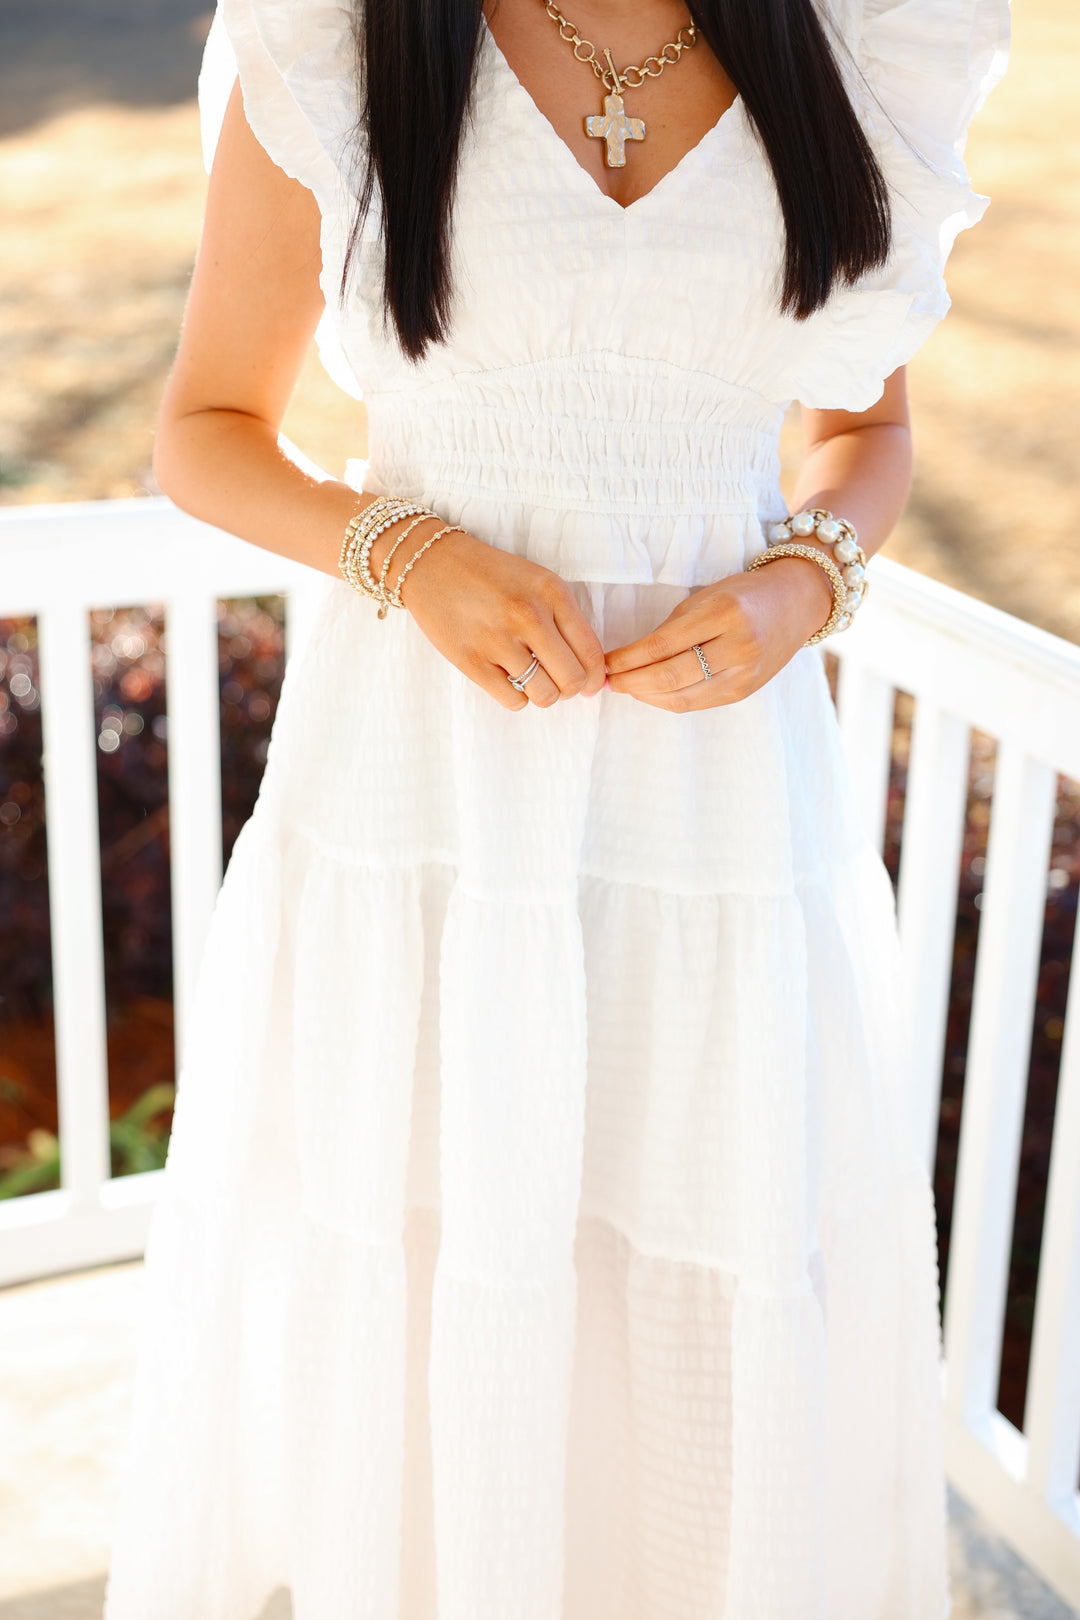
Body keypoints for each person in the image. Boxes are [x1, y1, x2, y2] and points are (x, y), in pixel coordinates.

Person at [104, 0, 1010, 1615]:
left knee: (698, 1268)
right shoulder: (334, 43)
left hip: (720, 817)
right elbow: (204, 434)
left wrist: (805, 585)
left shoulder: (856, 48)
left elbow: (862, 430)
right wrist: (407, 550)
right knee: (430, 1253)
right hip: (420, 805)